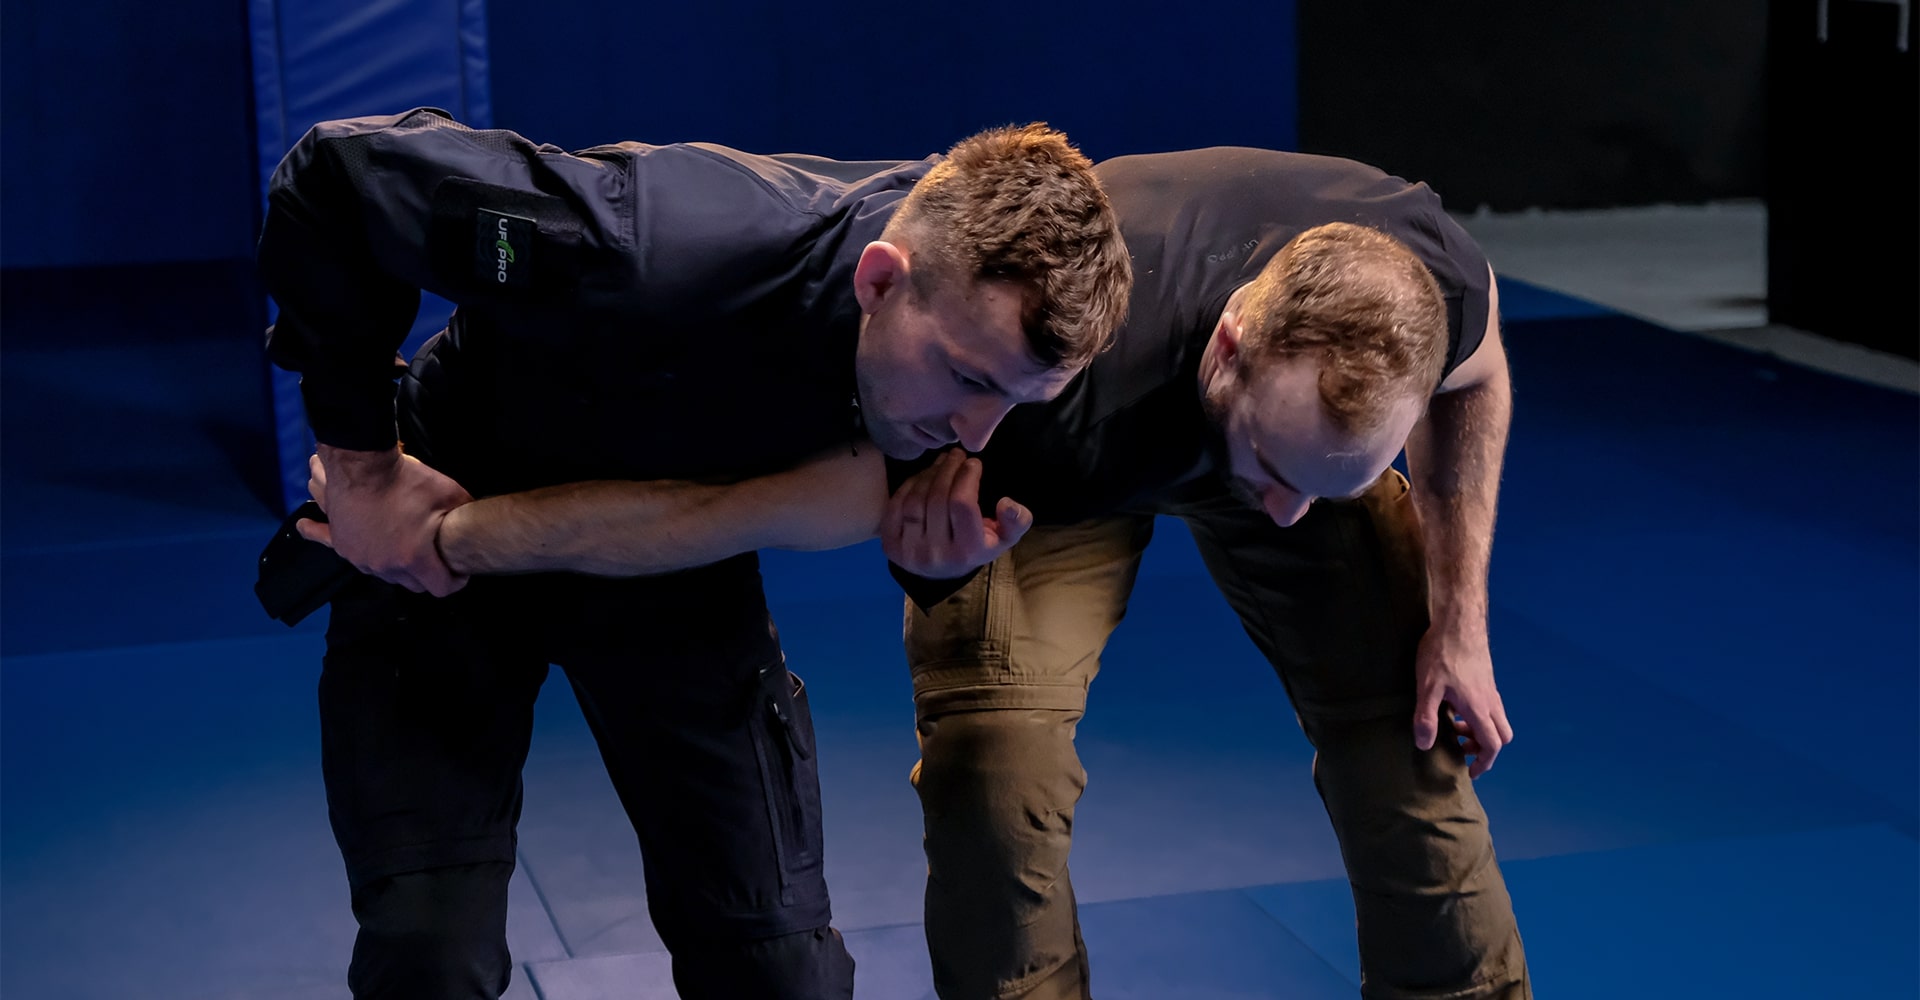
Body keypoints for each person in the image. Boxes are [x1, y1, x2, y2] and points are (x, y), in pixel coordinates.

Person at [305, 145, 1528, 999]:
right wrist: (403, 504)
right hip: (1053, 488)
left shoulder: (1409, 285)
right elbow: (725, 511)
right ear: (1225, 345)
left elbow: (1468, 381)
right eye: (1266, 464)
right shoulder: (1012, 387)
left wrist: (1457, 616)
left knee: (1415, 735)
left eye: (1324, 476)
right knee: (996, 765)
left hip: (1267, 414)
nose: (1283, 511)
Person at [256, 106, 1132, 1000]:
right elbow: (336, 177)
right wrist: (362, 469)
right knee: (428, 959)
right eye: (967, 380)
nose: (975, 434)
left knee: (783, 975)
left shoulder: (999, 342)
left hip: (667, 569)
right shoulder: (643, 242)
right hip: (445, 524)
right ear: (878, 283)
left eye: (1014, 400)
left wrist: (930, 564)